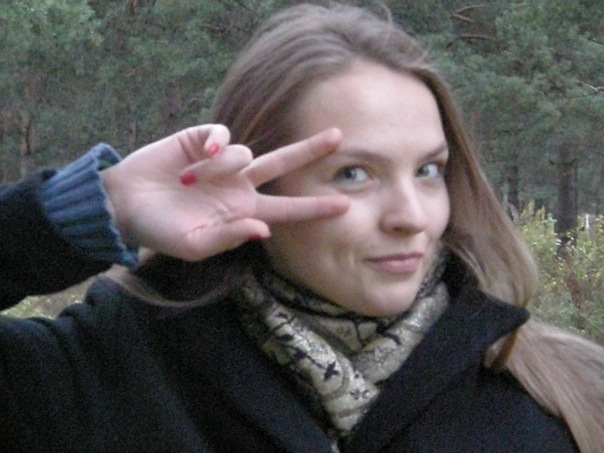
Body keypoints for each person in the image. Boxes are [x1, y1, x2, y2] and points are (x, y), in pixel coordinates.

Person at [1, 2, 602, 452]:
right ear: (258, 184)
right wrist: (99, 206)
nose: (412, 217)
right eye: (353, 174)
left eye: (428, 170)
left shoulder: (561, 393)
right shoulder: (100, 379)